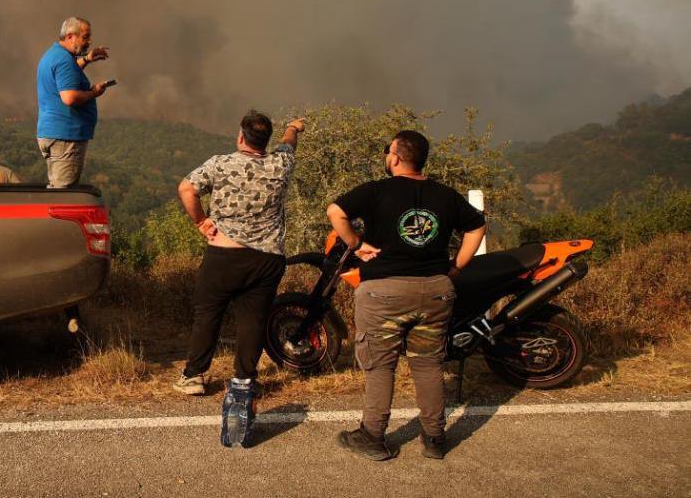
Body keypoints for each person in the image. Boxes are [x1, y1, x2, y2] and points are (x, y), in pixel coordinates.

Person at [326, 130, 486, 461]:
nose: (387, 156)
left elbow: (335, 212)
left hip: (383, 292)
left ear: (396, 156)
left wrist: (356, 244)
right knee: (428, 364)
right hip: (435, 292)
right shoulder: (445, 195)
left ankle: (373, 436)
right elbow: (477, 226)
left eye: (388, 151)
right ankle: (435, 439)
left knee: (380, 365)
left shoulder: (375, 191)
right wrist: (456, 266)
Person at [173, 111, 305, 427]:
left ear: (241, 137)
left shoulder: (220, 163)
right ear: (266, 140)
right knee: (253, 319)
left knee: (208, 314)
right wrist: (293, 127)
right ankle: (244, 380)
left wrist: (201, 222)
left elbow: (186, 189)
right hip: (267, 258)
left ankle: (194, 376)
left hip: (224, 255)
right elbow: (289, 144)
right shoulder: (281, 164)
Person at [36, 17, 113, 188]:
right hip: (65, 137)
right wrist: (94, 92)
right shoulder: (64, 60)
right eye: (85, 37)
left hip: (53, 134)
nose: (89, 41)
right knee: (63, 194)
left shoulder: (54, 55)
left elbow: (67, 75)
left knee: (58, 188)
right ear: (70, 36)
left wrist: (87, 59)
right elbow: (69, 98)